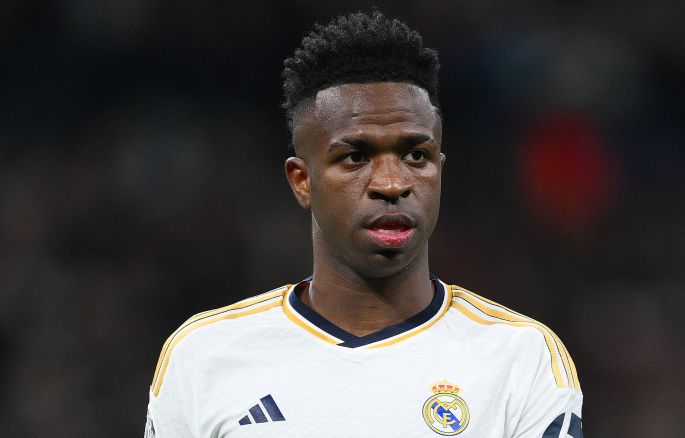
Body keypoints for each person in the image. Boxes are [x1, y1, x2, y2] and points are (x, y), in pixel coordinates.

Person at [145, 10, 583, 438]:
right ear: (303, 181)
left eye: (416, 156)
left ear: (440, 169)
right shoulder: (203, 357)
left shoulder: (519, 357)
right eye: (354, 157)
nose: (393, 183)